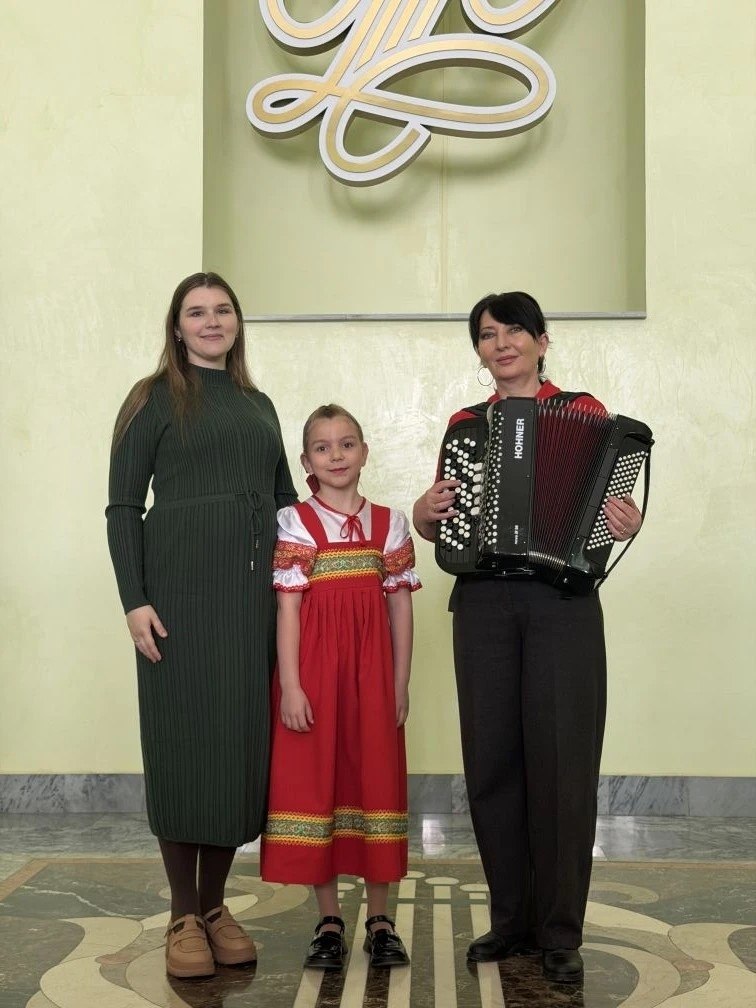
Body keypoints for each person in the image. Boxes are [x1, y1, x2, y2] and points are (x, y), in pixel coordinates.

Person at [412, 292, 643, 984]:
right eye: (488, 334)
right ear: (479, 352)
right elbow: (440, 522)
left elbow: (609, 513)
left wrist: (624, 520)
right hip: (483, 603)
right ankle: (511, 920)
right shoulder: (465, 426)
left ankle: (560, 932)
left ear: (543, 342)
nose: (502, 343)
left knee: (563, 766)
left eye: (515, 330)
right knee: (492, 762)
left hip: (562, 604)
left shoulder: (587, 413)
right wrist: (425, 513)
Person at [106, 272, 297, 979]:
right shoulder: (152, 398)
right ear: (177, 326)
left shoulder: (258, 404)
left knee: (236, 749)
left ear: (237, 322)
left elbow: (286, 503)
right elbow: (123, 506)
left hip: (250, 604)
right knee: (182, 744)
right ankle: (182, 913)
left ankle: (215, 907)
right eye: (196, 312)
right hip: (176, 599)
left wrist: (303, 593)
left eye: (222, 310)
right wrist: (134, 599)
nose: (211, 321)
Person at [260, 404, 420, 971]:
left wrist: (399, 683)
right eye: (322, 448)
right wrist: (291, 686)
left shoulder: (390, 523)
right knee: (315, 784)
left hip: (372, 675)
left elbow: (400, 608)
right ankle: (328, 920)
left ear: (364, 452)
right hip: (314, 676)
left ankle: (380, 919)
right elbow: (287, 608)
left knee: (375, 780)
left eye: (346, 444)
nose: (336, 456)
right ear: (306, 461)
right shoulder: (295, 521)